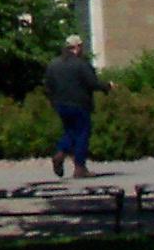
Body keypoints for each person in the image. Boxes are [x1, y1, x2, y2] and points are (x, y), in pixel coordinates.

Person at [43, 33, 109, 179]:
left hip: (61, 104)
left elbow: (47, 86)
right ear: (78, 47)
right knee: (82, 134)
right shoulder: (81, 64)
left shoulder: (54, 64)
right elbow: (92, 83)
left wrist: (53, 101)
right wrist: (107, 86)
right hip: (79, 104)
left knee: (70, 131)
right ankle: (80, 168)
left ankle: (60, 153)